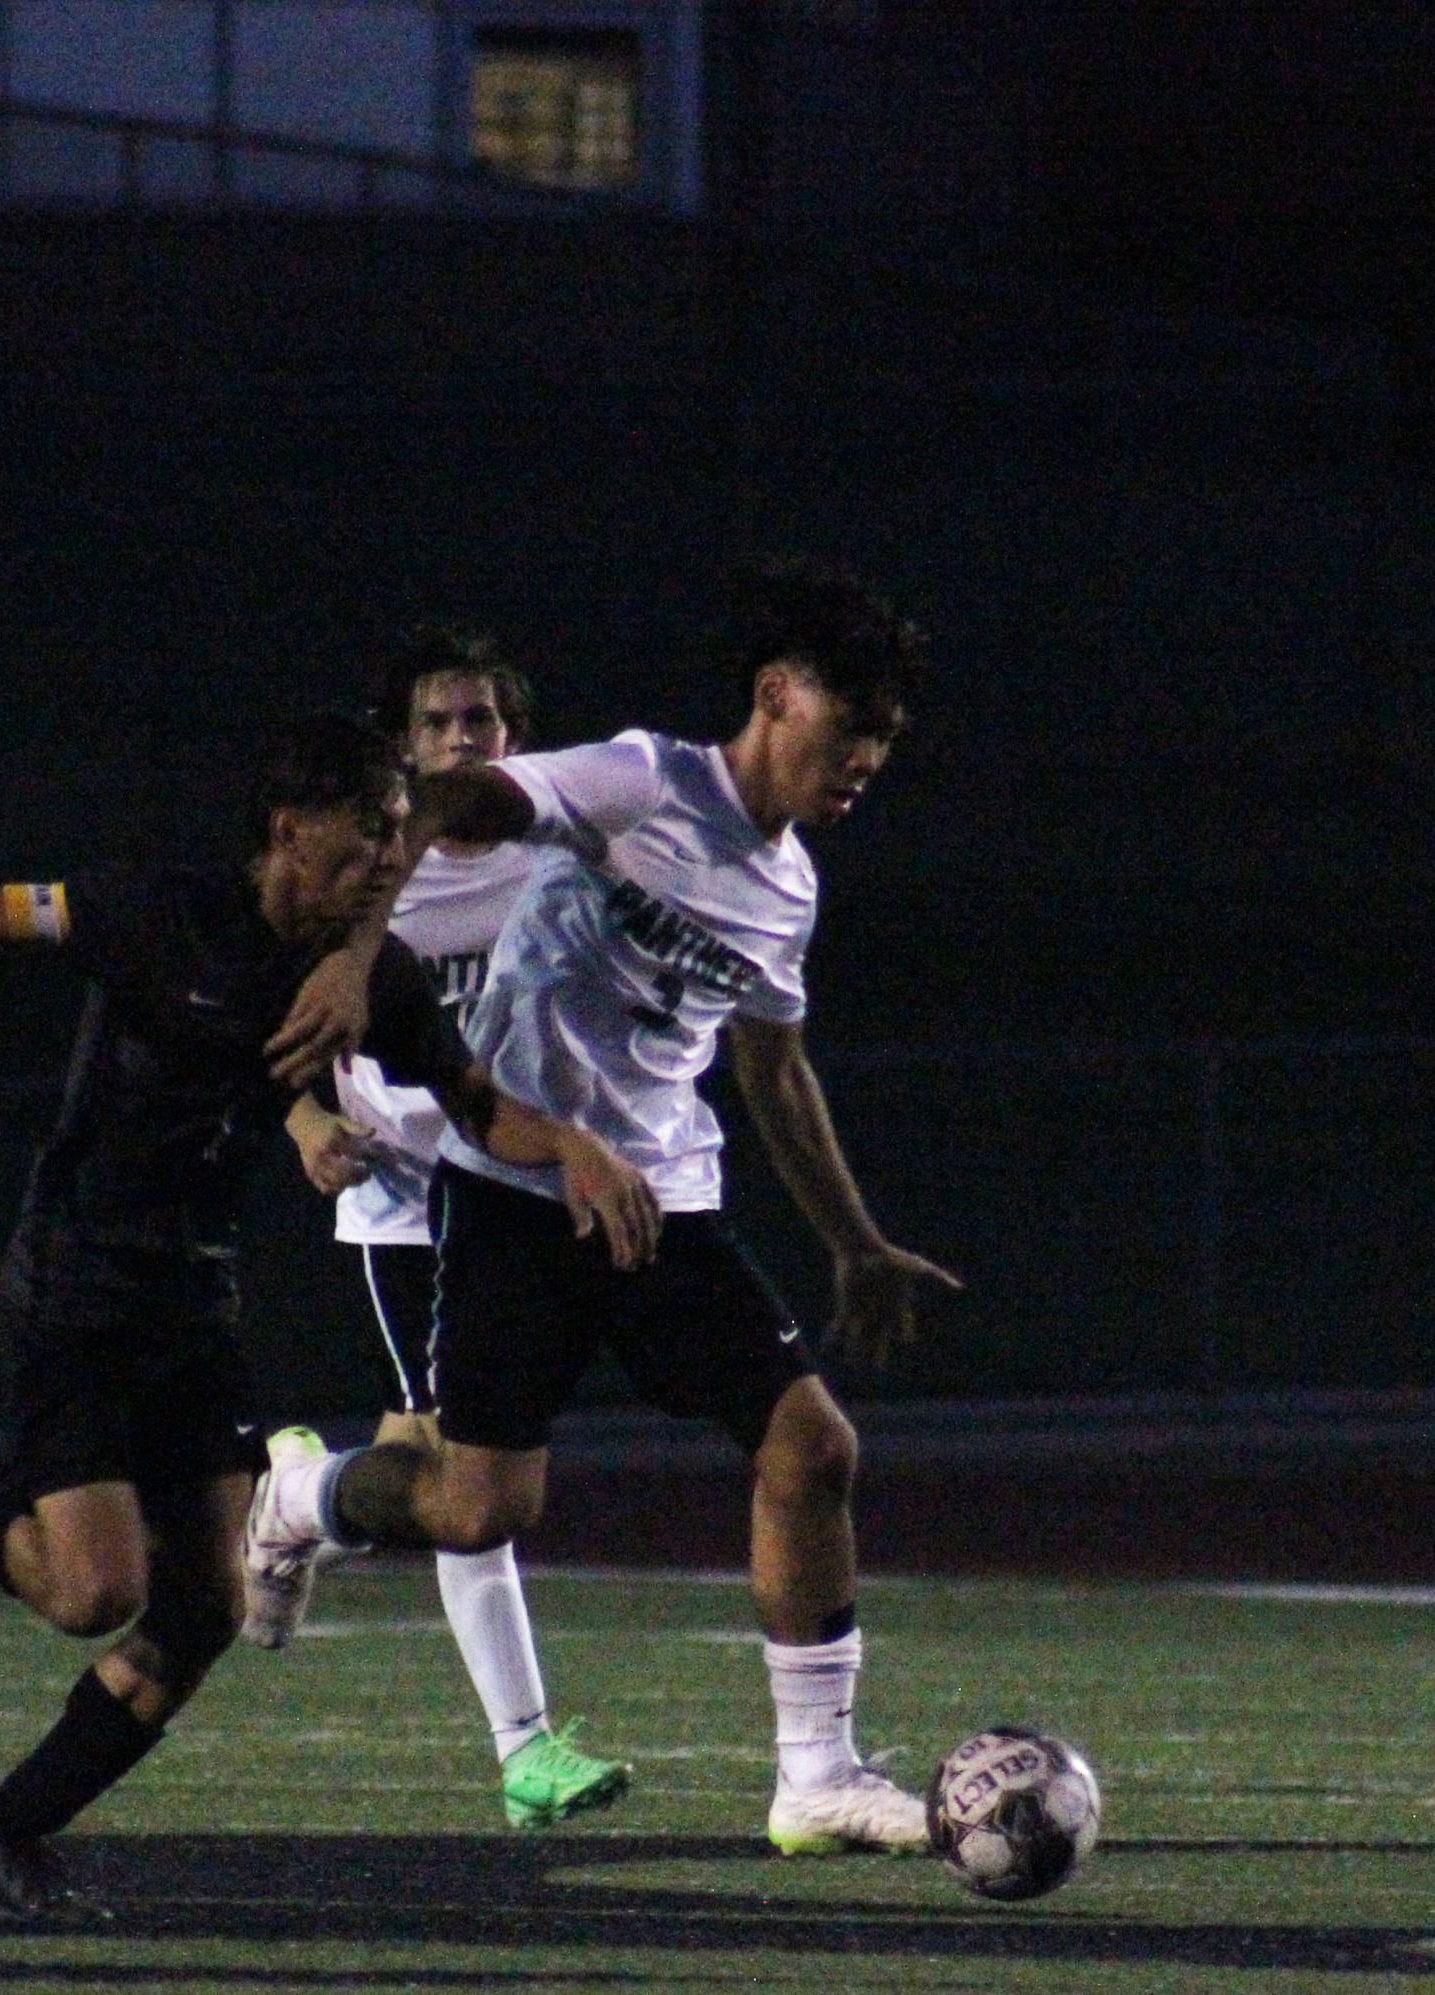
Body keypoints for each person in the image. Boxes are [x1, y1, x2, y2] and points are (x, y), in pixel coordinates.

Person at [0, 712, 659, 1920]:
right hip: (77, 1284)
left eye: (399, 833)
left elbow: (479, 1107)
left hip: (194, 1301)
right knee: (92, 1597)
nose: (393, 858)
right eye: (370, 832)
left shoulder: (367, 976)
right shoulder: (151, 916)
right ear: (288, 829)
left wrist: (575, 1147)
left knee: (208, 1613)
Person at [244, 559, 963, 1856]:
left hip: (664, 1209)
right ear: (774, 696)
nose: (863, 763)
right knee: (476, 1508)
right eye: (848, 730)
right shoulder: (644, 780)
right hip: (513, 1194)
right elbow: (454, 793)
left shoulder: (785, 879)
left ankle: (816, 1772)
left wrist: (851, 1238)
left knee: (814, 1448)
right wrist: (355, 955)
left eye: (884, 744)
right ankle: (303, 1498)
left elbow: (773, 1066)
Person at [272, 630, 629, 1831]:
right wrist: (308, 1120)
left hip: (520, 1191)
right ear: (405, 747)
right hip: (407, 1199)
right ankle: (525, 1749)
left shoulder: (561, 858)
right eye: (440, 724)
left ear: (515, 741)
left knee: (421, 1477)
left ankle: (295, 1502)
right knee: (465, 1480)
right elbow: (268, 1015)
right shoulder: (378, 882)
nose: (465, 740)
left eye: (484, 720)